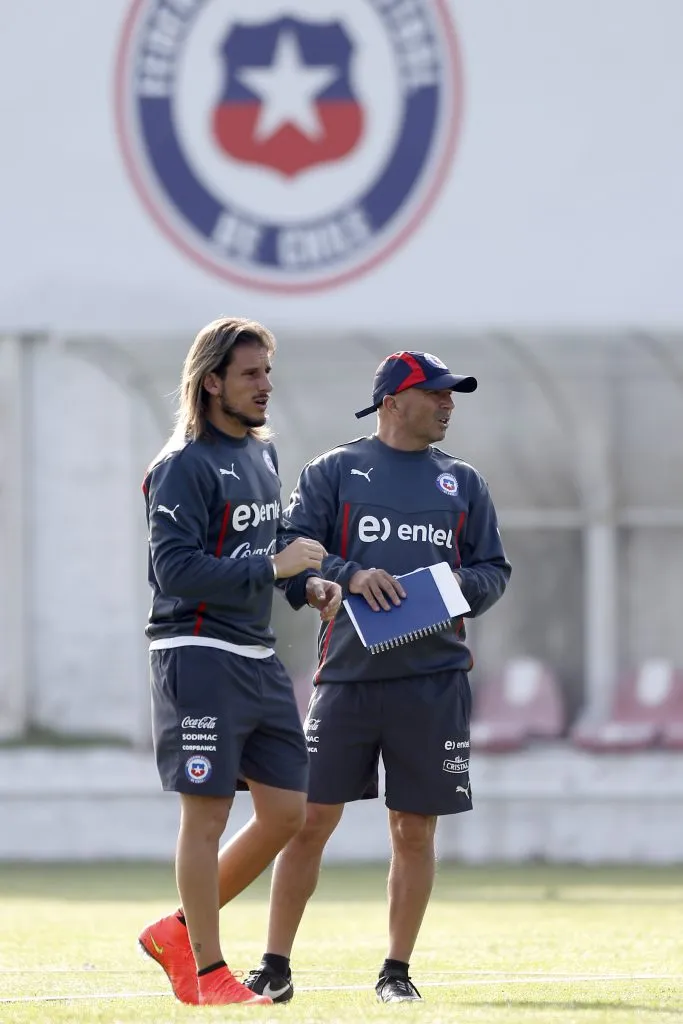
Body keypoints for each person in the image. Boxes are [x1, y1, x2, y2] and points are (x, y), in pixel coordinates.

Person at [244, 350, 511, 1004]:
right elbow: (295, 559)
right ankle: (274, 966)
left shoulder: (463, 483)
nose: (449, 405)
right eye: (437, 394)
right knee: (308, 820)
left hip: (435, 683)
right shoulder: (334, 471)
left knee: (413, 828)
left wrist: (442, 591)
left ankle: (395, 972)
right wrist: (344, 575)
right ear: (393, 401)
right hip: (346, 682)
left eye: (453, 396)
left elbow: (492, 571)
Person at [137, 317, 341, 1007]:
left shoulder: (263, 456)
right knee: (207, 817)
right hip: (196, 654)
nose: (265, 387)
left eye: (268, 373)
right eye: (251, 374)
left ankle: (177, 930)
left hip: (255, 658)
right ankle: (206, 972)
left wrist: (302, 585)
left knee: (290, 810)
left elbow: (267, 554)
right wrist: (273, 564)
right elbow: (176, 571)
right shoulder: (180, 465)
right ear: (212, 380)